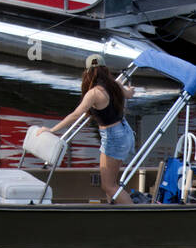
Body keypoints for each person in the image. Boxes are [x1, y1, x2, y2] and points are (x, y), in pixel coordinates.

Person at [48, 54, 136, 204]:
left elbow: (76, 115)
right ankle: (115, 211)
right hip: (124, 131)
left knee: (108, 186)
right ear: (105, 69)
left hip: (113, 137)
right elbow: (129, 94)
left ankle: (136, 213)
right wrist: (130, 89)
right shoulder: (115, 84)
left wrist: (52, 130)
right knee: (111, 183)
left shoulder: (94, 93)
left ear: (87, 72)